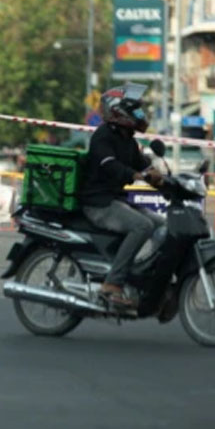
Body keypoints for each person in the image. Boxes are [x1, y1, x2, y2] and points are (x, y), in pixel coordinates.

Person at [78, 84, 165, 310]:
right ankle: (112, 284)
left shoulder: (127, 139)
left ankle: (147, 279)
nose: (139, 114)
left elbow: (142, 163)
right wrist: (138, 175)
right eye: (134, 109)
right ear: (119, 111)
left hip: (117, 200)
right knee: (142, 226)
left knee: (163, 226)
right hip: (99, 204)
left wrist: (164, 177)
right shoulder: (103, 136)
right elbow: (110, 165)